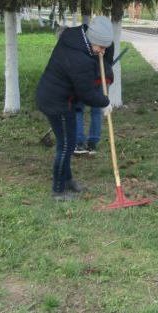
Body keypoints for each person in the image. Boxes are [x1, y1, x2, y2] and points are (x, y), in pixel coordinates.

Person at [36, 16, 115, 201]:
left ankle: (68, 180)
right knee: (65, 145)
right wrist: (104, 102)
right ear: (92, 39)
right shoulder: (78, 58)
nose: (102, 51)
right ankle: (58, 190)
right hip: (55, 102)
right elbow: (86, 92)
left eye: (105, 47)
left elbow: (104, 58)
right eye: (100, 47)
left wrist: (105, 54)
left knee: (69, 142)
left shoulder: (79, 37)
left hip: (65, 99)